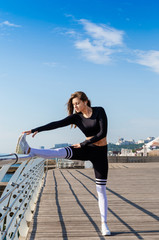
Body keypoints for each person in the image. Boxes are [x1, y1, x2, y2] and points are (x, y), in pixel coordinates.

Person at [16, 91, 111, 236]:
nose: (76, 107)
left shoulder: (99, 111)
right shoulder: (76, 118)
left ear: (85, 101)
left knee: (101, 190)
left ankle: (104, 225)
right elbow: (57, 124)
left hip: (100, 154)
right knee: (60, 152)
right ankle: (30, 150)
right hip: (85, 148)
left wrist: (84, 142)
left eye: (77, 103)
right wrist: (36, 130)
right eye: (74, 105)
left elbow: (102, 134)